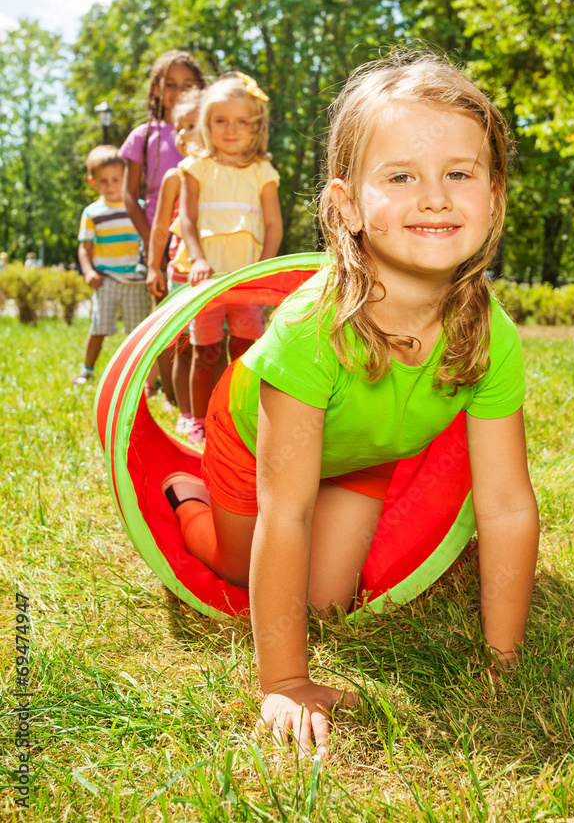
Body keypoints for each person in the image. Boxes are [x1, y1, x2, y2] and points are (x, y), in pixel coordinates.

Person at [162, 53, 540, 757]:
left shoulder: (492, 337)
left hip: (363, 453)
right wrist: (284, 680)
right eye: (400, 177)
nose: (434, 197)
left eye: (459, 173)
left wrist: (502, 659)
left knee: (327, 601)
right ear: (346, 205)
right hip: (254, 442)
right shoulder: (314, 328)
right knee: (242, 564)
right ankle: (187, 496)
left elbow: (507, 506)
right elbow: (288, 512)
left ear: (493, 195)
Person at [175, 72, 283, 445]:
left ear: (256, 128)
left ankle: (242, 418)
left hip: (247, 281)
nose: (231, 130)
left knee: (246, 350)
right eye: (221, 121)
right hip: (207, 279)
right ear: (206, 124)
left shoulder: (261, 171)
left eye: (241, 122)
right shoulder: (196, 167)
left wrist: (265, 271)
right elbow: (186, 219)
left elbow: (273, 225)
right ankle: (198, 419)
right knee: (205, 353)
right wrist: (198, 258)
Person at [120, 49, 206, 401]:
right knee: (166, 321)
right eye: (170, 84)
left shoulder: (208, 131)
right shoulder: (143, 136)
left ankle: (189, 393)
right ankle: (171, 395)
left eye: (188, 83)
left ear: (201, 88)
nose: (178, 90)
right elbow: (129, 194)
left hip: (198, 242)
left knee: (199, 322)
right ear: (156, 89)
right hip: (159, 243)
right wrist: (151, 242)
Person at [146, 88, 203, 436]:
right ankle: (185, 410)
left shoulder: (219, 174)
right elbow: (158, 229)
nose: (181, 135)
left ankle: (208, 407)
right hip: (181, 273)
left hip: (214, 273)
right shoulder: (174, 177)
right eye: (178, 128)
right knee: (183, 345)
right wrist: (153, 266)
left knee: (210, 346)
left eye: (191, 126)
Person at [73, 146, 149, 386]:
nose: (111, 185)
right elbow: (84, 248)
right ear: (92, 181)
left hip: (137, 280)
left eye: (116, 179)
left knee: (140, 333)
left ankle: (144, 376)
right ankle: (87, 369)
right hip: (106, 279)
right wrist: (88, 271)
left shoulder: (138, 207)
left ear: (126, 177)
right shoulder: (92, 212)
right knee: (99, 327)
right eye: (103, 181)